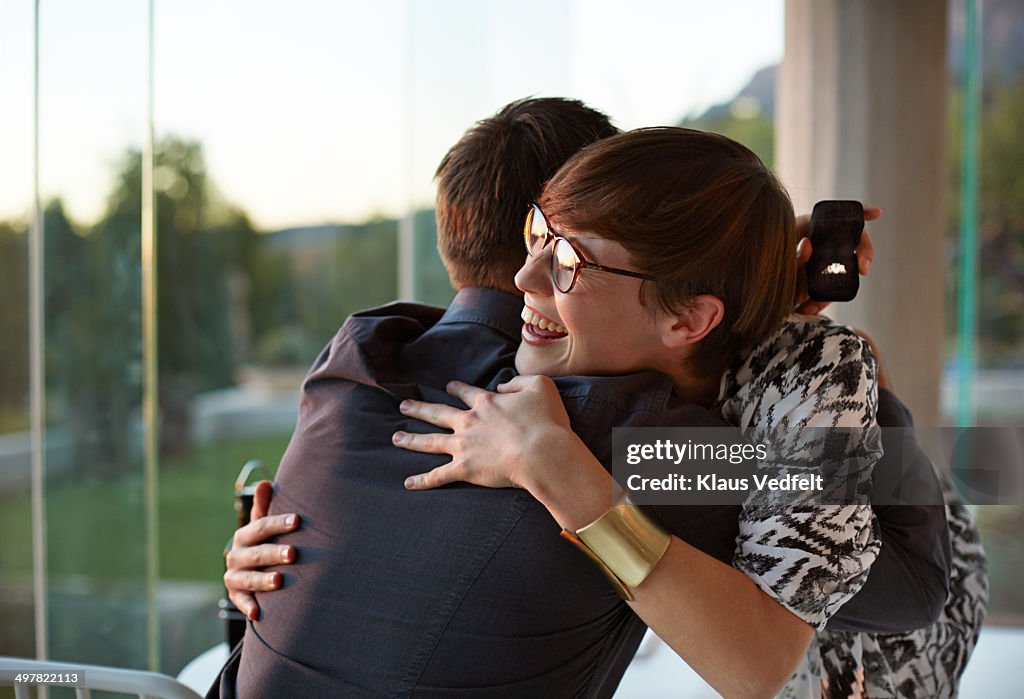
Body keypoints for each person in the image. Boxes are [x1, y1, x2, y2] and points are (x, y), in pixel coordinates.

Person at [217, 103, 955, 697]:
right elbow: (913, 583)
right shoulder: (647, 447)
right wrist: (792, 342)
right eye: (546, 236)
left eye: (568, 252)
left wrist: (735, 284)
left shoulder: (353, 366)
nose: (537, 269)